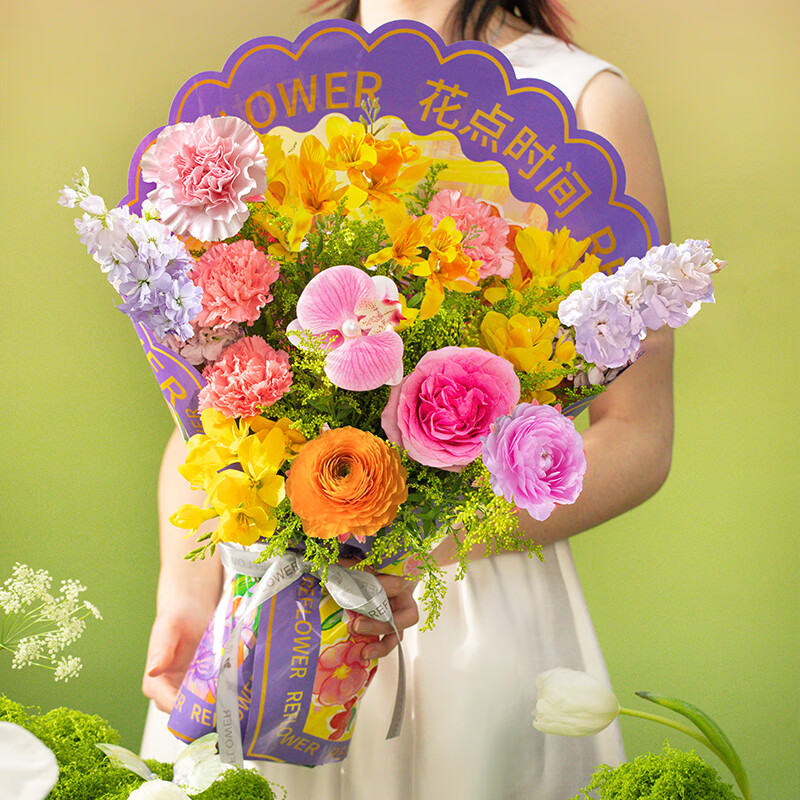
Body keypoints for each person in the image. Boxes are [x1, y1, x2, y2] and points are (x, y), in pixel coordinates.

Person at [141, 1, 673, 798]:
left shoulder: (582, 98)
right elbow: (213, 405)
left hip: (469, 608)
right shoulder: (271, 101)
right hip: (266, 616)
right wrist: (184, 590)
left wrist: (427, 543)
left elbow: (637, 435)